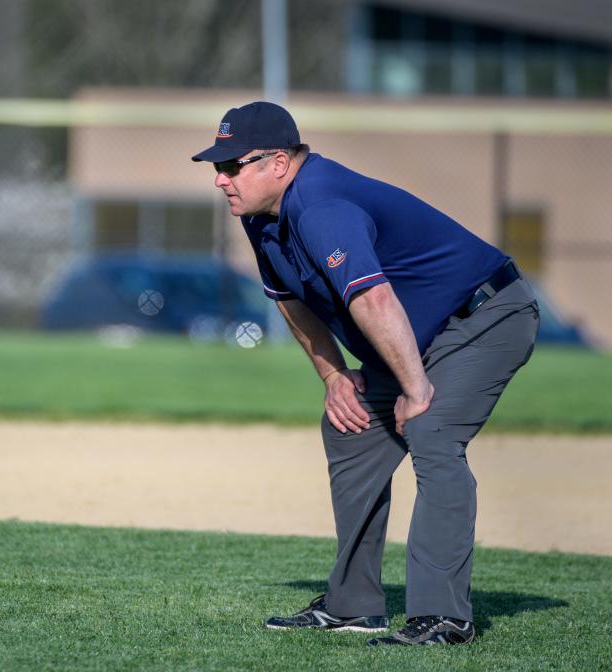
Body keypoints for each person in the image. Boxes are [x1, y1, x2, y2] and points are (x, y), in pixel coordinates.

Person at [192, 102, 538, 647]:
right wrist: (334, 378)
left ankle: (443, 618)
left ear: (278, 163)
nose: (221, 179)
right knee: (349, 428)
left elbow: (373, 299)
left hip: (487, 315)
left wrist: (415, 388)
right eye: (218, 166)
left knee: (431, 429)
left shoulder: (320, 205)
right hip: (413, 335)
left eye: (234, 165)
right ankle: (354, 605)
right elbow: (290, 302)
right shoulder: (262, 220)